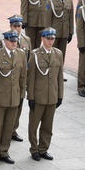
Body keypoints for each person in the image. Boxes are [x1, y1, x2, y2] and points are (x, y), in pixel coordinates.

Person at [0, 30, 27, 165]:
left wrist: (22, 94)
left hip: (14, 96)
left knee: (9, 125)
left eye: (15, 41)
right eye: (11, 41)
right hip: (0, 96)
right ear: (5, 41)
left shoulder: (21, 54)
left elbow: (23, 77)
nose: (13, 43)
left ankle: (4, 151)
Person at [27, 28, 64, 161]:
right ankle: (34, 149)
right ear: (42, 38)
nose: (50, 41)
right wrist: (30, 97)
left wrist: (60, 95)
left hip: (52, 96)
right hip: (38, 96)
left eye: (52, 38)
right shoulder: (35, 54)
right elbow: (30, 78)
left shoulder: (58, 54)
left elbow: (60, 76)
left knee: (48, 126)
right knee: (34, 125)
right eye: (48, 38)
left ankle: (43, 148)